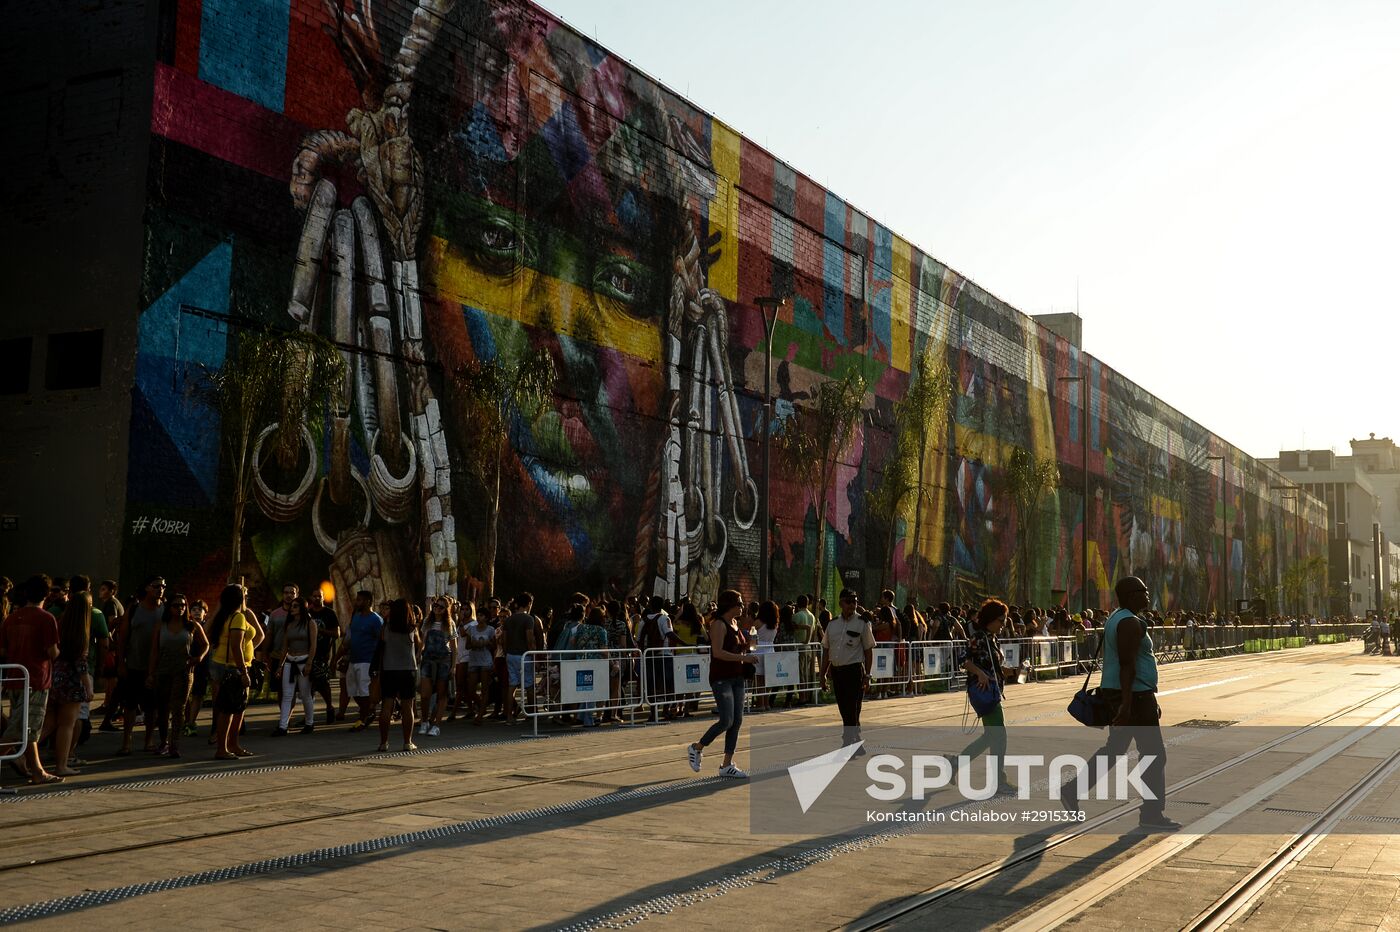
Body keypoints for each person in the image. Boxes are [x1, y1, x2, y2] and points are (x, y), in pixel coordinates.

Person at [1061, 577, 1179, 831]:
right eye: (1143, 591)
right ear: (1129, 595)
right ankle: (1151, 813)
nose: (1147, 596)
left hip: (1133, 696)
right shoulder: (1129, 623)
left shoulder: (1120, 617)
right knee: (1154, 755)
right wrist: (1127, 706)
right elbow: (1127, 666)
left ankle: (1072, 790)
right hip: (1133, 697)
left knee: (1115, 750)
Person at [686, 589, 755, 778]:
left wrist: (747, 653)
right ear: (729, 604)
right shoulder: (719, 624)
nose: (742, 606)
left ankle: (727, 764)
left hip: (737, 676)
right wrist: (744, 658)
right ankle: (696, 747)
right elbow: (717, 652)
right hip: (721, 677)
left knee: (737, 721)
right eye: (739, 603)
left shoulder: (735, 624)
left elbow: (737, 649)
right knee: (726, 720)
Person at [0, 575, 62, 784]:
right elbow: (52, 652)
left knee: (27, 728)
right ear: (46, 594)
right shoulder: (46, 619)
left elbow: (3, 649)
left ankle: (37, 770)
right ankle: (36, 770)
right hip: (36, 680)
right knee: (19, 730)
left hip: (14, 680)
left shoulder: (12, 618)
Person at [958, 599, 1020, 795]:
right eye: (1001, 620)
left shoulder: (992, 638)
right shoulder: (978, 637)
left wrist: (1006, 670)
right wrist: (979, 673)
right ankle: (998, 782)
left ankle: (954, 764)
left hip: (994, 690)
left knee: (990, 736)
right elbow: (964, 660)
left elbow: (991, 663)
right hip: (984, 692)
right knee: (999, 736)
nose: (1004, 624)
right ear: (991, 619)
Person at [146, 593, 209, 758]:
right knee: (163, 707)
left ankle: (175, 744)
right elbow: (154, 651)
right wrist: (151, 673)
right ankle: (163, 742)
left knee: (178, 708)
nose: (180, 608)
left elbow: (206, 644)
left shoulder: (191, 625)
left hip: (183, 670)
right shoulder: (161, 625)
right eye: (176, 605)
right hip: (163, 670)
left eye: (182, 605)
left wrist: (199, 658)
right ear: (169, 608)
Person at [207, 584, 261, 760]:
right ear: (239, 599)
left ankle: (232, 745)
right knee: (231, 710)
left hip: (224, 664)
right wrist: (244, 672)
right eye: (244, 595)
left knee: (231, 709)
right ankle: (224, 747)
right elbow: (236, 646)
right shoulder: (237, 617)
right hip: (234, 668)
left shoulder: (225, 615)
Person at [821, 589, 876, 752]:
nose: (852, 605)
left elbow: (868, 650)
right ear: (840, 603)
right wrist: (823, 674)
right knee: (843, 707)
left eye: (855, 601)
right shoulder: (832, 624)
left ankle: (848, 741)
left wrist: (867, 675)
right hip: (837, 672)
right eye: (849, 601)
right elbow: (826, 650)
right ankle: (856, 739)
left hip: (854, 671)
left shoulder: (862, 623)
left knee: (852, 707)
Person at [46, 588, 92, 776]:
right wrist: (88, 687)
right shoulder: (81, 629)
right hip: (71, 682)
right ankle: (61, 765)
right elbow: (81, 663)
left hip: (55, 676)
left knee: (49, 723)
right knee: (67, 724)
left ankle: (21, 754)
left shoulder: (60, 623)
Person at [116, 575, 164, 755]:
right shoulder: (135, 609)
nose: (160, 589)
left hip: (156, 667)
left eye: (163, 586)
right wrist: (120, 662)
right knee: (130, 705)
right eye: (156, 585)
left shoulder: (165, 610)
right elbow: (122, 638)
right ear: (147, 588)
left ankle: (149, 739)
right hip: (134, 663)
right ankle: (126, 741)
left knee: (152, 706)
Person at [377, 600, 422, 753]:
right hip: (408, 669)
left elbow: (381, 647)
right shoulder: (412, 629)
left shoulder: (386, 628)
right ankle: (407, 742)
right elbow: (419, 645)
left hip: (389, 669)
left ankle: (384, 743)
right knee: (407, 706)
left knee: (387, 706)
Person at [271, 594, 317, 736]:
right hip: (290, 662)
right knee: (287, 695)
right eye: (292, 606)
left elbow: (313, 645)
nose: (292, 608)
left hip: (304, 661)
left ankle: (309, 723)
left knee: (305, 694)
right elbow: (285, 646)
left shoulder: (310, 623)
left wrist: (309, 662)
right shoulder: (289, 624)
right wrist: (280, 666)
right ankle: (282, 726)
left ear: (303, 608)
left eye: (295, 606)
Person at [336, 591, 383, 731]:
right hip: (353, 660)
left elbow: (381, 641)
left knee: (364, 691)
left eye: (360, 600)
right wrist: (337, 658)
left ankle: (363, 719)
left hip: (367, 660)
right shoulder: (356, 617)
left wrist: (378, 661)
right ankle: (368, 712)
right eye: (357, 599)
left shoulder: (376, 620)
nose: (357, 602)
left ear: (368, 601)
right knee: (353, 690)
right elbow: (348, 640)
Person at [417, 597, 456, 737]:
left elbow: (454, 647)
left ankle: (437, 724)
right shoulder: (427, 622)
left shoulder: (449, 624)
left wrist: (453, 666)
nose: (437, 608)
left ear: (446, 610)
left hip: (443, 660)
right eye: (436, 605)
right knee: (425, 694)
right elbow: (422, 641)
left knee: (441, 693)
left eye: (441, 607)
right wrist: (418, 655)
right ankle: (424, 721)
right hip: (427, 659)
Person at [502, 593, 540, 725]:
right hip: (524, 655)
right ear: (529, 604)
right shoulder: (528, 619)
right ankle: (531, 713)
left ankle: (509, 716)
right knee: (529, 685)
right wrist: (533, 653)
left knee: (512, 685)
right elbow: (529, 638)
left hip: (510, 655)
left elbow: (504, 639)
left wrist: (507, 652)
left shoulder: (509, 619)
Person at [304, 588, 341, 725]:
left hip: (322, 653)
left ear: (323, 597)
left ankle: (329, 707)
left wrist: (320, 631)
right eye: (314, 596)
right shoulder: (308, 613)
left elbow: (336, 633)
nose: (316, 598)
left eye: (319, 596)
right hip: (306, 653)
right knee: (308, 685)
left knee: (323, 683)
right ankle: (309, 715)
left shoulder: (329, 613)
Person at [459, 602, 494, 725]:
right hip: (473, 659)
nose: (479, 617)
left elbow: (493, 646)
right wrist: (474, 644)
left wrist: (487, 643)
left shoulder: (491, 630)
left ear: (486, 617)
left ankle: (480, 715)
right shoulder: (472, 629)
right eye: (478, 615)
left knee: (484, 688)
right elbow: (468, 645)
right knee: (470, 688)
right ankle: (481, 706)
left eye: (482, 615)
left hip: (485, 660)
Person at [183, 599, 210, 737]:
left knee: (198, 694)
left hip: (202, 664)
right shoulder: (186, 626)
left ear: (206, 613)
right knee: (185, 694)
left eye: (201, 610)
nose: (197, 612)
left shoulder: (208, 627)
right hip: (187, 663)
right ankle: (186, 720)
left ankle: (191, 722)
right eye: (194, 609)